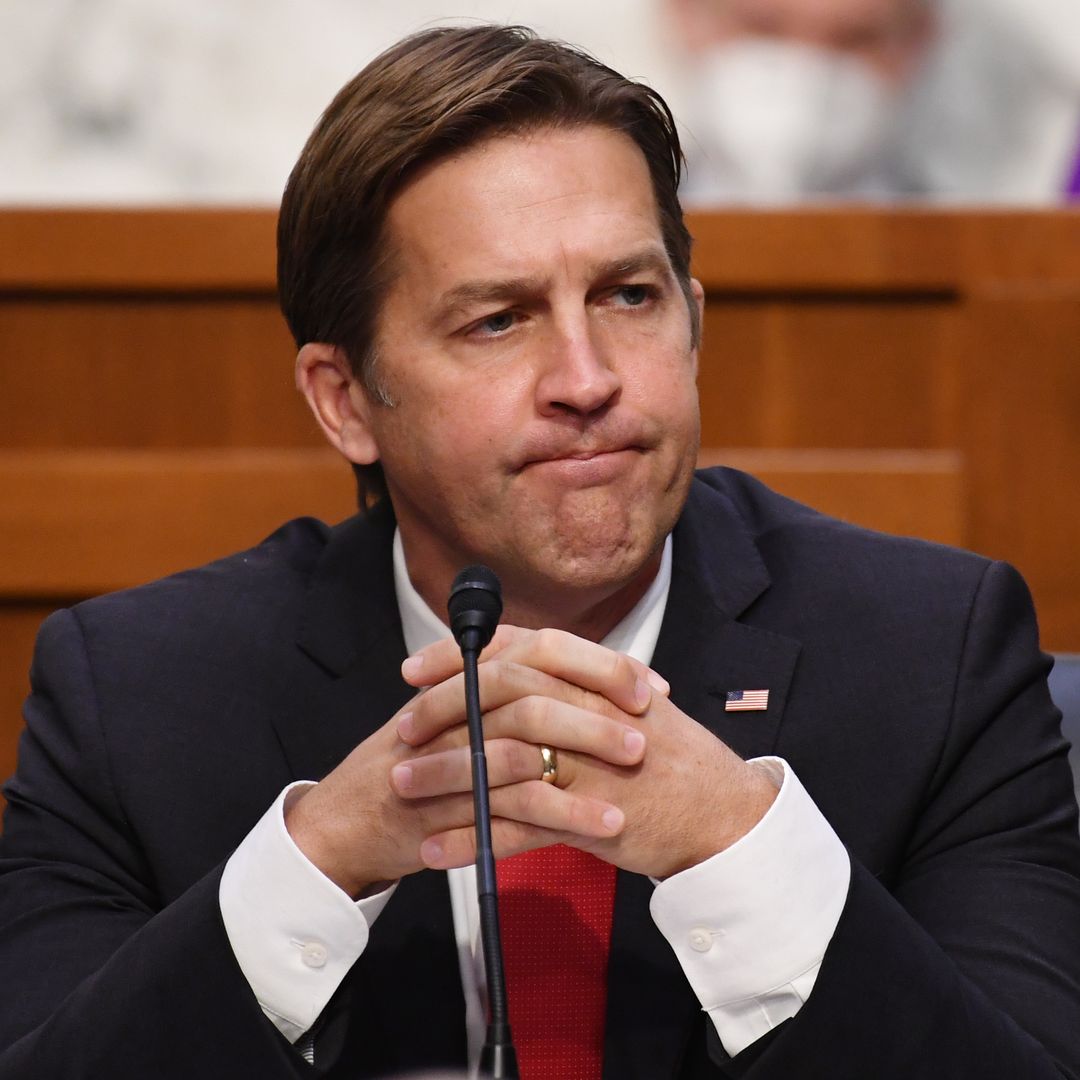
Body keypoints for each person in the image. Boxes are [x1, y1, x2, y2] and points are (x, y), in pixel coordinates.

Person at [1, 23, 1079, 1080]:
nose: (587, 378)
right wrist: (317, 862)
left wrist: (736, 846)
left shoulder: (931, 656)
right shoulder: (137, 697)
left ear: (693, 323)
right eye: (498, 321)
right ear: (346, 401)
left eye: (629, 297)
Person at [668, 0, 1080, 203]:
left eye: (857, 40)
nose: (809, 75)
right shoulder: (634, 224)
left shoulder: (990, 248)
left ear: (921, 40)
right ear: (685, 16)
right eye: (765, 29)